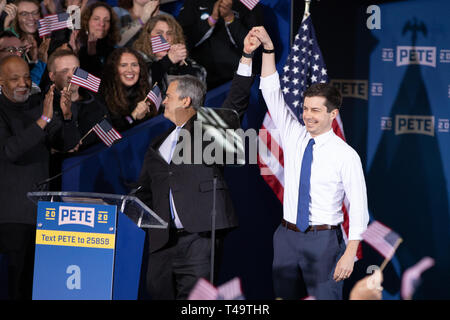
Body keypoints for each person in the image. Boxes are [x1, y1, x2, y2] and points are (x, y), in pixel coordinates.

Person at [135, 31, 260, 299]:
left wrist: (247, 56)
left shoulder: (208, 131)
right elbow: (142, 191)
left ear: (186, 101)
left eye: (168, 96)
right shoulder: (157, 142)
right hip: (161, 243)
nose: (163, 100)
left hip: (199, 238)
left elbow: (236, 100)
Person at [252, 26, 369, 300]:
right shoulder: (294, 134)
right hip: (286, 237)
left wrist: (350, 253)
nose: (307, 115)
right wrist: (268, 50)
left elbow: (359, 207)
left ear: (333, 114)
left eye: (315, 110)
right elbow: (271, 91)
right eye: (305, 108)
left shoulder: (346, 155)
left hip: (324, 241)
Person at [0, 55, 58, 299]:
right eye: (14, 79)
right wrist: (43, 120)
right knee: (14, 288)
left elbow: (64, 142)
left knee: (38, 289)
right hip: (12, 219)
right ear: (1, 82)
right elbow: (9, 151)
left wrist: (63, 115)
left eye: (26, 76)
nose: (23, 83)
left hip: (44, 216)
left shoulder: (38, 104)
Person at [177, 0, 262, 90]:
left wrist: (230, 18)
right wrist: (211, 20)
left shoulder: (249, 3)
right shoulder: (192, 3)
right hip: (202, 81)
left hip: (238, 78)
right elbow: (182, 41)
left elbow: (253, 46)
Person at [46, 48, 111, 152]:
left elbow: (109, 137)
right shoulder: (46, 107)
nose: (72, 76)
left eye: (75, 70)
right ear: (52, 76)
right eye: (64, 71)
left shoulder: (95, 102)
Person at [133, 14, 206, 95]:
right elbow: (146, 82)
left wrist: (182, 66)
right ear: (148, 37)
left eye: (169, 33)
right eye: (159, 33)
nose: (165, 38)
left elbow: (200, 80)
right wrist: (167, 61)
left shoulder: (182, 61)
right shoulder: (138, 59)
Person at [101, 47, 155, 132]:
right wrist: (133, 116)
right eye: (123, 65)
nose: (130, 70)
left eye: (134, 65)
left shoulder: (144, 90)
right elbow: (114, 134)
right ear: (114, 69)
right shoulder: (105, 96)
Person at [72, 2, 120, 77]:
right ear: (87, 22)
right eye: (96, 19)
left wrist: (92, 53)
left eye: (106, 20)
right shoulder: (76, 47)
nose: (102, 24)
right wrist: (74, 54)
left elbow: (103, 82)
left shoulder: (116, 54)